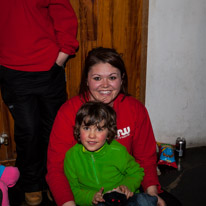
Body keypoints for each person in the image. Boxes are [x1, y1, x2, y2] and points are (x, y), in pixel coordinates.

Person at [47, 47, 182, 206]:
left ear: (122, 79)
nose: (105, 85)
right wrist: (67, 202)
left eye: (112, 77)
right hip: (85, 195)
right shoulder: (68, 112)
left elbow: (145, 158)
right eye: (97, 78)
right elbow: (56, 169)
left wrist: (151, 192)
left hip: (124, 192)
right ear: (86, 80)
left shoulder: (135, 109)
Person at [0, 0, 79, 205]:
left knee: (55, 130)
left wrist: (61, 58)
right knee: (28, 131)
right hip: (12, 70)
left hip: (48, 68)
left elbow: (64, 14)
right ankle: (32, 184)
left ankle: (54, 182)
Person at [64, 101, 158, 206]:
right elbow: (72, 190)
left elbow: (137, 172)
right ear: (78, 129)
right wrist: (91, 197)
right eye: (86, 128)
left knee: (145, 201)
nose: (91, 135)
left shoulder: (118, 151)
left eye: (99, 129)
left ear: (109, 132)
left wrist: (126, 187)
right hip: (97, 202)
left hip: (124, 198)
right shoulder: (71, 156)